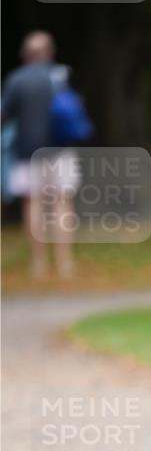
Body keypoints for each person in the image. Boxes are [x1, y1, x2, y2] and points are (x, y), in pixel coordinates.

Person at [0, 31, 82, 279]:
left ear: (25, 54)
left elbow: (4, 115)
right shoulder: (62, 74)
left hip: (28, 152)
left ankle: (38, 263)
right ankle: (65, 262)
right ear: (50, 52)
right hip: (61, 150)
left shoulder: (16, 80)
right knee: (62, 202)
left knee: (33, 203)